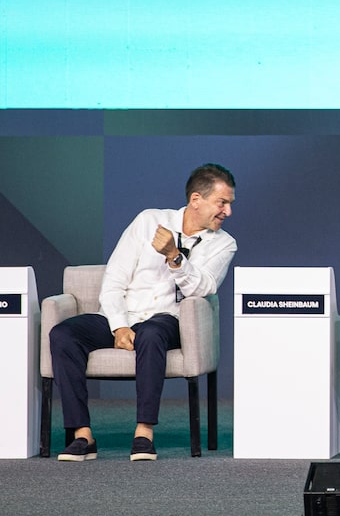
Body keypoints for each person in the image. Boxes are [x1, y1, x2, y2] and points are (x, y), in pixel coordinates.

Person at [50, 163, 237, 462]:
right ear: (196, 200)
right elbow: (114, 279)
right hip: (124, 315)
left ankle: (144, 434)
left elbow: (203, 288)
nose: (227, 212)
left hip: (168, 320)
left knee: (150, 333)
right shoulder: (149, 220)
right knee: (63, 334)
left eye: (229, 204)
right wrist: (119, 326)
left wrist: (174, 257)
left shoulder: (224, 244)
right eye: (222, 202)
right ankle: (82, 435)